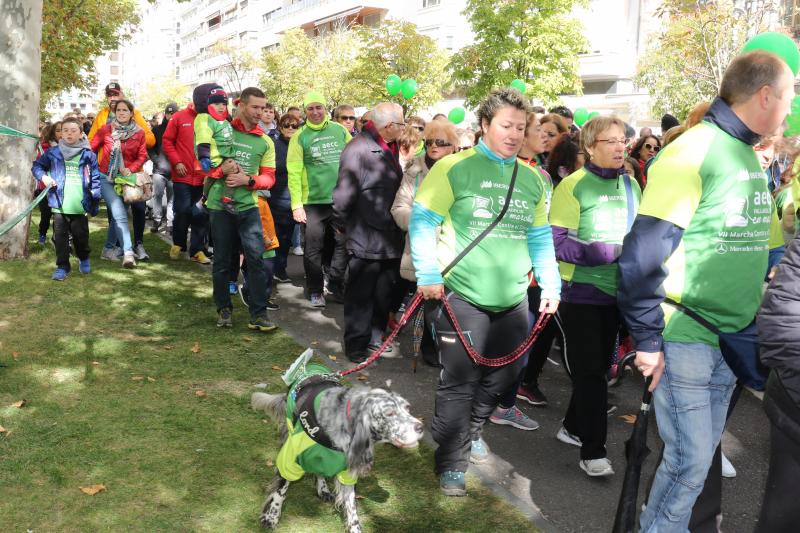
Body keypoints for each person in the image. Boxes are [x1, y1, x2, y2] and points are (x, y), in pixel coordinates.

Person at [617, 50, 795, 531]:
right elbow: (641, 255)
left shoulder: (744, 155)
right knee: (690, 463)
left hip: (731, 339)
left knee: (695, 465)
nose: (791, 107)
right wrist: (649, 341)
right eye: (790, 94)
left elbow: (766, 244)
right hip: (684, 336)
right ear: (765, 95)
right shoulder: (693, 150)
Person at [409, 88, 561, 496]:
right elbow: (422, 222)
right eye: (505, 126)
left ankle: (470, 430)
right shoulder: (453, 168)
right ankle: (452, 462)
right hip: (460, 295)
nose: (514, 134)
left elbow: (540, 236)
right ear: (484, 126)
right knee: (459, 381)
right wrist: (427, 273)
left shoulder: (533, 179)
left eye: (520, 127)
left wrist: (551, 283)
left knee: (505, 374)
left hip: (512, 299)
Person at [549, 116, 641, 477]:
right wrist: (604, 252)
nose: (620, 147)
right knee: (591, 374)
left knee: (601, 369)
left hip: (622, 291)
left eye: (622, 141)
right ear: (590, 147)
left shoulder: (632, 186)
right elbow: (556, 243)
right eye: (610, 141)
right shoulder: (572, 186)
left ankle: (572, 427)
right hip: (581, 292)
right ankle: (593, 451)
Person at [333, 103, 406, 363]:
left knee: (383, 291)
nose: (404, 129)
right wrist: (343, 225)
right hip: (365, 234)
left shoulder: (391, 145)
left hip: (388, 235)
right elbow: (343, 195)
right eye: (402, 124)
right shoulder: (358, 149)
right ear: (389, 127)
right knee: (360, 294)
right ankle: (355, 345)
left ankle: (376, 336)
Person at [206, 86, 277, 332]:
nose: (260, 112)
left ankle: (258, 314)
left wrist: (249, 181)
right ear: (242, 105)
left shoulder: (265, 141)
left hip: (249, 207)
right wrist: (220, 171)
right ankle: (223, 309)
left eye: (264, 108)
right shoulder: (221, 130)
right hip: (220, 206)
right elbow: (204, 166)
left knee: (256, 260)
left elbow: (269, 179)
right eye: (255, 107)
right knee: (223, 261)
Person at [287, 91, 352, 307]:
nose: (315, 112)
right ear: (305, 111)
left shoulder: (340, 131)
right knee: (313, 248)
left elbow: (353, 160)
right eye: (310, 108)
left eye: (319, 107)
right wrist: (297, 205)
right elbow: (294, 172)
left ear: (325, 109)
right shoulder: (300, 137)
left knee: (342, 244)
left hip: (340, 200)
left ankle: (335, 282)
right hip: (312, 202)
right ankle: (315, 290)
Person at [32, 117, 101, 280]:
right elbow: (37, 166)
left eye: (73, 131)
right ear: (60, 134)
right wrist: (44, 178)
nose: (69, 134)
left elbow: (96, 179)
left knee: (80, 237)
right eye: (65, 130)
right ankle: (63, 267)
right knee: (60, 238)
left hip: (79, 204)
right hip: (59, 204)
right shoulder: (53, 152)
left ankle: (83, 257)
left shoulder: (88, 155)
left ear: (81, 133)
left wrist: (95, 198)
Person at [90, 99, 149, 268]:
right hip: (105, 178)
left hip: (127, 180)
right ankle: (128, 252)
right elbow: (90, 149)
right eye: (118, 110)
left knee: (118, 215)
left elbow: (142, 155)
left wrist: (131, 168)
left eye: (125, 110)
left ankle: (108, 249)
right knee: (119, 212)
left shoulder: (139, 133)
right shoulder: (106, 130)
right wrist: (93, 169)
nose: (121, 112)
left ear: (132, 113)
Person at [162, 85, 211, 264]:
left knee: (200, 213)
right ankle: (179, 243)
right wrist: (177, 162)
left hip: (204, 177)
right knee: (182, 210)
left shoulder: (213, 119)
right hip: (182, 175)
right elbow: (167, 141)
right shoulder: (179, 117)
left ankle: (197, 250)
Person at [269, 113, 300, 283]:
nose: (290, 128)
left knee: (286, 238)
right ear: (280, 127)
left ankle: (280, 269)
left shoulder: (301, 145)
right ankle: (270, 269)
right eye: (286, 125)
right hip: (275, 197)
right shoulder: (274, 145)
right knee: (275, 237)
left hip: (294, 200)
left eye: (294, 126)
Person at [195, 86, 236, 211]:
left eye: (224, 104)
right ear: (209, 104)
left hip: (225, 154)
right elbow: (203, 137)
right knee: (233, 171)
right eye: (217, 103)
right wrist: (204, 157)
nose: (221, 107)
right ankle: (227, 199)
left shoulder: (224, 120)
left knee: (213, 178)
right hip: (214, 156)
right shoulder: (205, 118)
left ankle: (204, 197)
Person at [88, 83, 154, 151]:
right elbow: (90, 140)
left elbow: (151, 141)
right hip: (106, 160)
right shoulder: (101, 115)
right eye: (109, 95)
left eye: (116, 95)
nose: (112, 98)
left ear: (122, 95)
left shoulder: (134, 113)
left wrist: (132, 136)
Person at [149, 102, 177, 234]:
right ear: (165, 114)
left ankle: (170, 223)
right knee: (158, 195)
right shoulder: (157, 129)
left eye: (174, 113)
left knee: (172, 198)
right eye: (169, 113)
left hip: (175, 171)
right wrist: (156, 160)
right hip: (159, 170)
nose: (171, 116)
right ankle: (157, 219)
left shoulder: (180, 129)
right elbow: (150, 148)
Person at [35, 121, 62, 245]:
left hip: (61, 187)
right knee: (46, 214)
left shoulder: (71, 148)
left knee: (59, 215)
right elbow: (39, 166)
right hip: (44, 187)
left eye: (64, 130)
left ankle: (57, 237)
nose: (62, 133)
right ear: (52, 133)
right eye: (58, 130)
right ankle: (42, 234)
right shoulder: (45, 148)